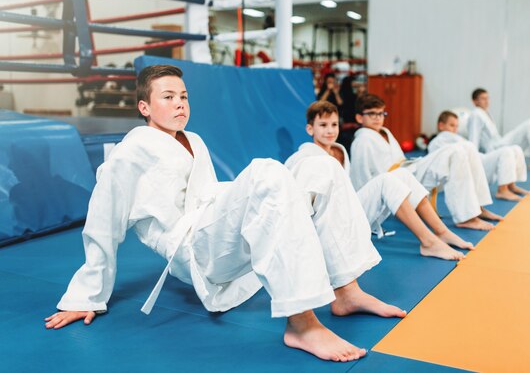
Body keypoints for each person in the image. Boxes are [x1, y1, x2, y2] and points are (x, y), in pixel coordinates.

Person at [44, 65, 406, 363]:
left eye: (183, 96)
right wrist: (86, 296)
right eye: (168, 97)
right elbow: (102, 223)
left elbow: (210, 198)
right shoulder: (129, 154)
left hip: (214, 229)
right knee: (266, 170)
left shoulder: (193, 139)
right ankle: (302, 325)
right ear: (144, 108)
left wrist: (239, 196)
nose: (180, 104)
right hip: (192, 249)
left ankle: (345, 290)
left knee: (323, 169)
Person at [285, 101, 473, 261]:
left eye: (334, 125)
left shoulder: (339, 149)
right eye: (323, 125)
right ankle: (428, 242)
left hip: (349, 212)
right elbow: (294, 197)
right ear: (310, 129)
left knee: (402, 175)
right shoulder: (304, 157)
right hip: (330, 223)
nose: (330, 130)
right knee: (385, 182)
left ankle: (441, 232)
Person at [350, 94, 501, 231]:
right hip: (395, 182)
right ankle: (466, 217)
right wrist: (371, 207)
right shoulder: (362, 141)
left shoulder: (385, 132)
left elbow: (401, 159)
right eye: (371, 114)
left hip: (409, 170)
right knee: (455, 152)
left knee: (466, 147)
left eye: (380, 113)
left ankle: (478, 206)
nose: (377, 118)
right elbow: (360, 179)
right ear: (359, 118)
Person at [431, 111, 529, 201]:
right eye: (452, 125)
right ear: (441, 125)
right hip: (472, 167)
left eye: (457, 126)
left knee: (515, 149)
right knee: (506, 151)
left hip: (480, 160)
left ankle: (510, 185)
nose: (455, 129)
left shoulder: (455, 137)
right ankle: (502, 191)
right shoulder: (439, 140)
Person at [467, 88, 530, 171]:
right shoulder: (476, 114)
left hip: (500, 143)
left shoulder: (485, 113)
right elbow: (473, 138)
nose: (486, 101)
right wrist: (473, 161)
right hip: (495, 149)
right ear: (474, 101)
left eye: (487, 98)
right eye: (483, 98)